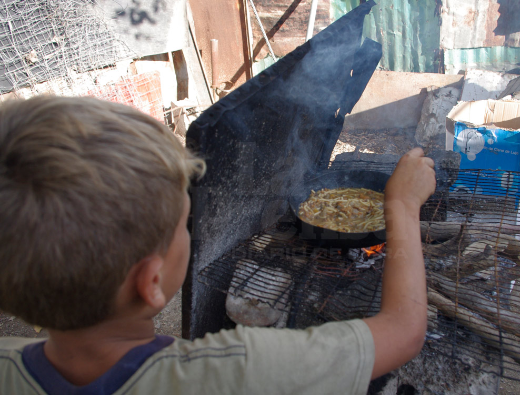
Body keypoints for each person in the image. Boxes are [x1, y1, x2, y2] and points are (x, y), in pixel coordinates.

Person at [0, 95, 436, 394]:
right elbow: (404, 331)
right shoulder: (237, 370)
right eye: (184, 224)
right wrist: (401, 204)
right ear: (151, 282)